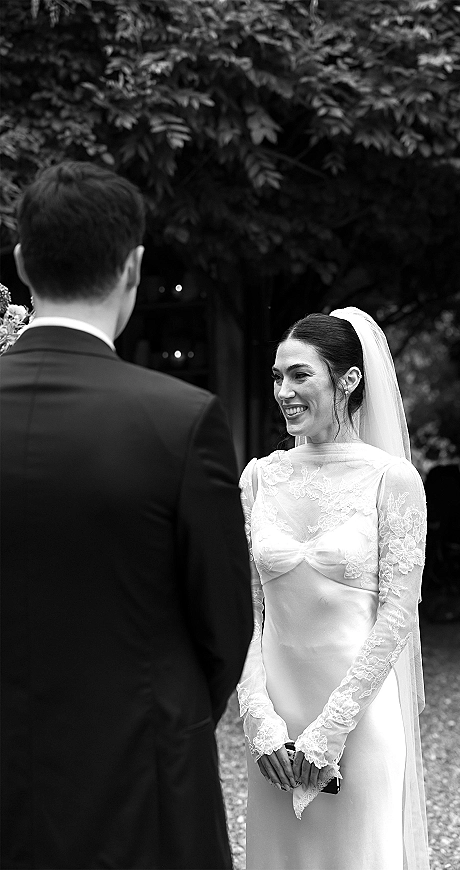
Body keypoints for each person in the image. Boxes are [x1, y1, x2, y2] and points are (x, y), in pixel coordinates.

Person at [0, 161, 253, 870]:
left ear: (23, 262)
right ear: (133, 268)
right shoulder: (180, 419)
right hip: (143, 778)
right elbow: (225, 624)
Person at [238, 309, 430, 870]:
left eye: (300, 375)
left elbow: (397, 614)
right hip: (275, 730)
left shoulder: (392, 480)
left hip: (358, 722)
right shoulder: (257, 478)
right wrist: (259, 719)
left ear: (347, 380)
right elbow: (249, 612)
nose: (283, 391)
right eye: (277, 377)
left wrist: (330, 731)